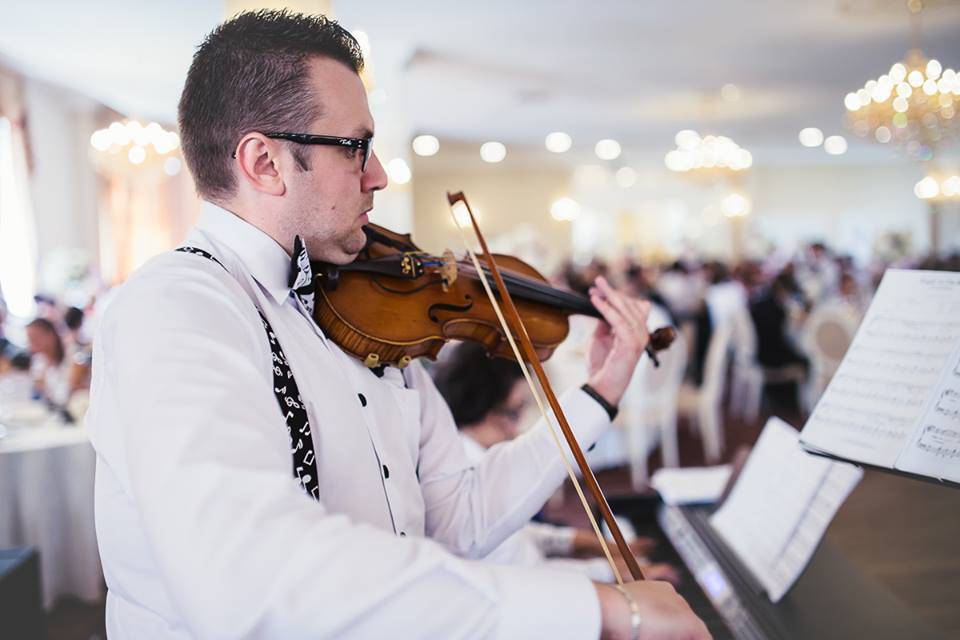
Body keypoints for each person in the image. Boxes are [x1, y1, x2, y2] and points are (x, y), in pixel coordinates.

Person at [87, 10, 708, 640]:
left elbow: (456, 520)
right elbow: (246, 571)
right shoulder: (175, 308)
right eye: (355, 146)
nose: (378, 175)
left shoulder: (368, 315)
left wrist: (599, 392)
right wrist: (594, 611)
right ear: (265, 162)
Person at [433, 341, 680, 584]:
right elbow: (530, 573)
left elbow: (515, 533)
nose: (516, 428)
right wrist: (611, 572)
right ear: (481, 407)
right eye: (514, 411)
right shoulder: (471, 473)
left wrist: (586, 543)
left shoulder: (462, 452)